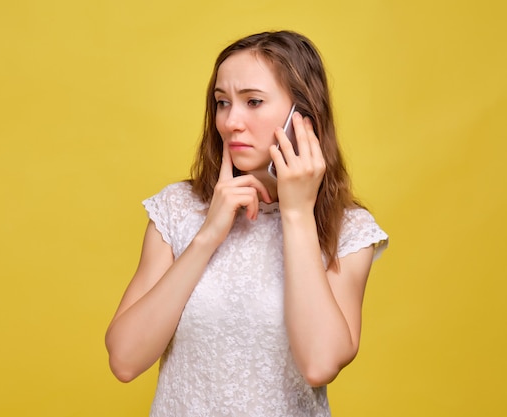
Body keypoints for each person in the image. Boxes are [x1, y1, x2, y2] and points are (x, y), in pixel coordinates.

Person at [105, 30, 388, 417]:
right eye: (222, 103)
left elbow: (320, 363)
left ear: (302, 116)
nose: (231, 122)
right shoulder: (177, 208)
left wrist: (297, 214)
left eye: (253, 102)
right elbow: (124, 360)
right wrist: (207, 236)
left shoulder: (349, 230)